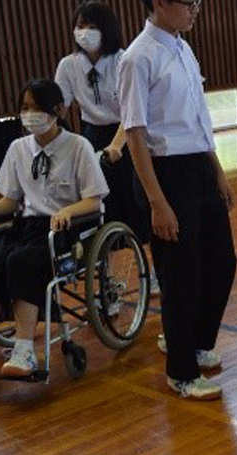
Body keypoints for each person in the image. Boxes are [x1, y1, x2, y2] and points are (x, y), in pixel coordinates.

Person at [118, 0, 236, 400]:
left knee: (221, 263)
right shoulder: (137, 58)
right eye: (189, 2)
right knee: (180, 276)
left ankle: (195, 344)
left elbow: (198, 117)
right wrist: (157, 201)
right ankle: (181, 373)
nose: (196, 10)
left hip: (199, 166)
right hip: (164, 173)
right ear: (160, 3)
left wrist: (216, 171)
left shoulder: (183, 47)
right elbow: (135, 132)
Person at [0, 79, 109, 376]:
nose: (29, 115)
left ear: (57, 110)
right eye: (24, 108)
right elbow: (10, 201)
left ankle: (25, 352)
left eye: (37, 109)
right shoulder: (18, 148)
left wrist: (68, 211)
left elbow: (94, 200)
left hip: (66, 227)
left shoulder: (78, 146)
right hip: (27, 226)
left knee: (21, 262)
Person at [55, 0, 157, 292]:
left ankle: (152, 273)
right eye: (80, 26)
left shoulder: (124, 61)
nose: (84, 33)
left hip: (127, 136)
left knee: (138, 206)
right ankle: (107, 281)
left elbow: (132, 113)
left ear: (107, 30)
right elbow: (59, 108)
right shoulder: (69, 65)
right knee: (100, 212)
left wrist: (116, 147)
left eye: (92, 27)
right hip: (92, 136)